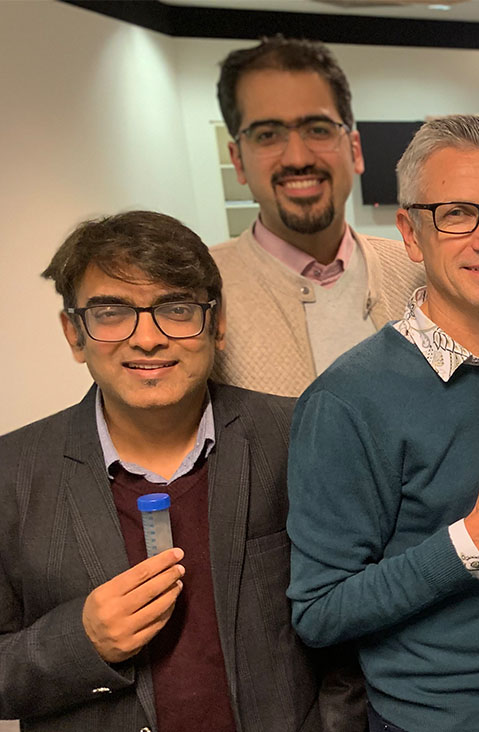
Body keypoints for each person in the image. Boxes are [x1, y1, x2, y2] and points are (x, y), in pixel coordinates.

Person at [0, 211, 361, 731]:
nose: (147, 339)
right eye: (111, 312)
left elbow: (348, 627)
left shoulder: (296, 435)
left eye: (176, 308)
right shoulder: (11, 477)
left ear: (217, 324)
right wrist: (81, 642)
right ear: (74, 334)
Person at [286, 114, 479, 732]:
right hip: (436, 719)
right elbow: (319, 611)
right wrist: (472, 538)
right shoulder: (346, 401)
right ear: (412, 233)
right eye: (456, 214)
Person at [212, 36, 424, 396]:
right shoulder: (200, 292)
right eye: (267, 135)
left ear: (355, 150)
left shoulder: (418, 275)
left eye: (318, 130)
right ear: (238, 160)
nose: (297, 158)